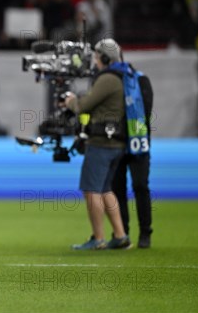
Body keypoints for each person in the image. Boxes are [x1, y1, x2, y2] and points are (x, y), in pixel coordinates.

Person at [64, 38, 131, 250]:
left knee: (91, 190)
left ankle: (98, 238)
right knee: (105, 189)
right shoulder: (122, 75)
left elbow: (84, 106)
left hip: (102, 143)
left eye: (96, 56)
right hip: (116, 142)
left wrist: (71, 101)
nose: (94, 61)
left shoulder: (108, 79)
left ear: (103, 57)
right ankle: (120, 235)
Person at [111, 63, 154, 249]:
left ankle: (145, 232)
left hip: (137, 142)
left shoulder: (142, 80)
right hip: (119, 142)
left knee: (140, 186)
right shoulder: (112, 82)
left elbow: (146, 110)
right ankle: (123, 232)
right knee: (118, 188)